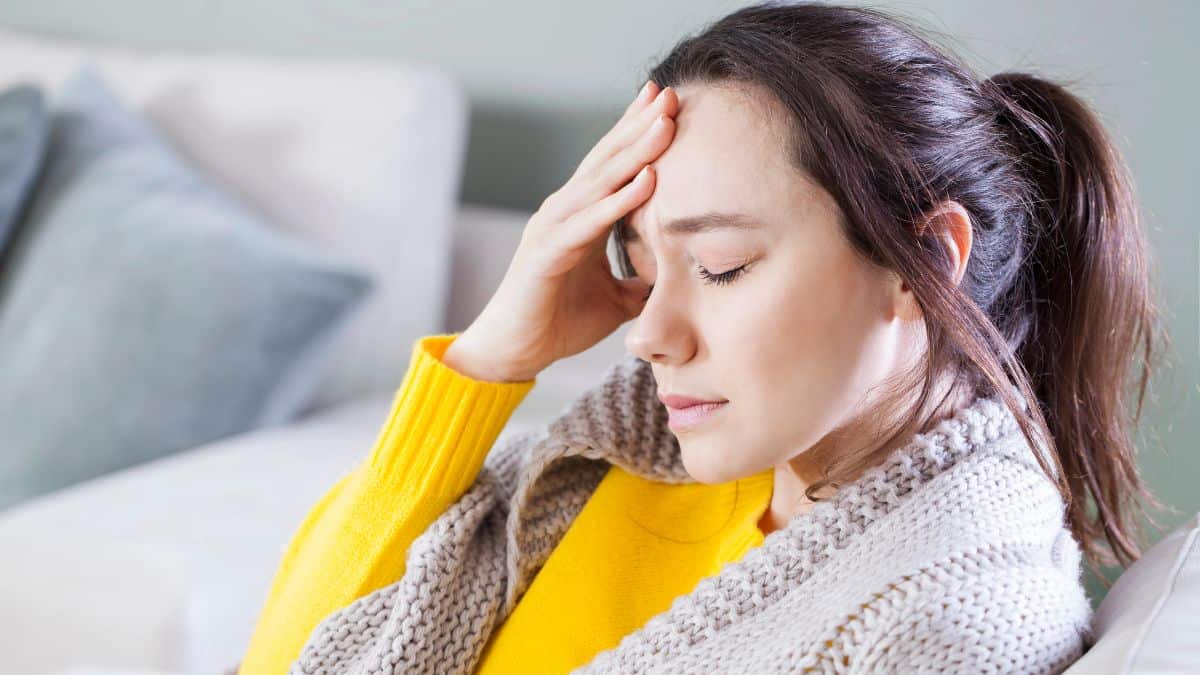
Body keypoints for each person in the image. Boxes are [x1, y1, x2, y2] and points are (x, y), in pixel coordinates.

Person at [238, 2, 1168, 673]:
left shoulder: (947, 619)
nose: (648, 335)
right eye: (641, 263)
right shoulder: (630, 455)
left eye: (721, 265)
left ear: (920, 261)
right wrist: (486, 362)